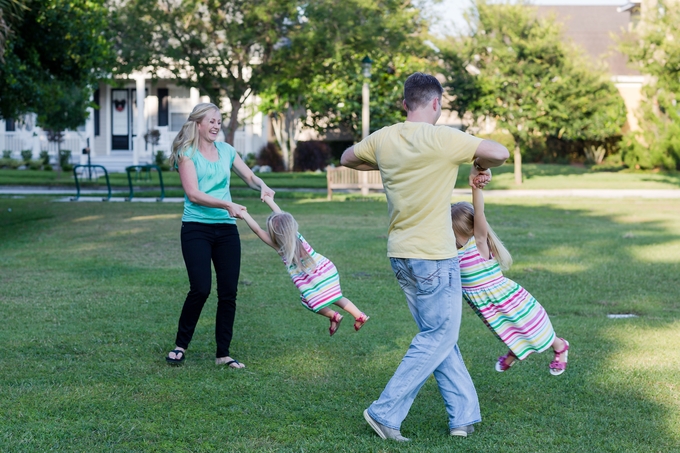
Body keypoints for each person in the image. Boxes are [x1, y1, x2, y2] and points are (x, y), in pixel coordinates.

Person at [341, 72, 509, 441]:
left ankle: (463, 416)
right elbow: (499, 152)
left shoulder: (384, 138)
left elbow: (347, 157)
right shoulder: (443, 138)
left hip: (400, 255)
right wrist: (478, 165)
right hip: (434, 255)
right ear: (436, 103)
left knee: (439, 335)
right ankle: (385, 412)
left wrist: (384, 163)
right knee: (438, 335)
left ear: (405, 103)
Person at [165, 102, 275, 368]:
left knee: (228, 292)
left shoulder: (226, 151)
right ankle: (180, 345)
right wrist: (227, 204)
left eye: (219, 121)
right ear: (199, 124)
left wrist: (263, 185)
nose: (216, 126)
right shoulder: (186, 152)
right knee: (200, 288)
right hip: (196, 227)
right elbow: (193, 194)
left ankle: (223, 354)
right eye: (211, 121)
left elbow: (249, 177)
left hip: (226, 230)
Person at [451, 172, 570, 375]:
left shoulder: (478, 243)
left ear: (464, 229)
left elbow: (479, 214)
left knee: (534, 331)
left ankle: (560, 347)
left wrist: (476, 189)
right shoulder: (451, 252)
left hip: (506, 298)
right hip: (488, 306)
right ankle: (514, 352)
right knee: (509, 333)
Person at [238, 195, 370, 335]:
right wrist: (269, 200)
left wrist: (245, 214)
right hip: (325, 269)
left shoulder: (280, 247)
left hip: (311, 278)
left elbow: (258, 230)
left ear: (274, 234)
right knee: (335, 296)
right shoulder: (296, 234)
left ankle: (333, 315)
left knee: (308, 301)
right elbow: (280, 214)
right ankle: (359, 315)